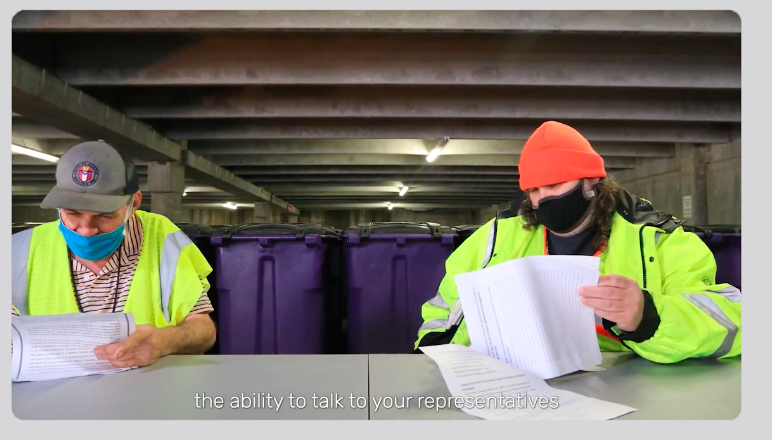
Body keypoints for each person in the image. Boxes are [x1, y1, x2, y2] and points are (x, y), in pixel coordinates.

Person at [414, 121, 741, 363]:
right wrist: (444, 358)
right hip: (519, 388)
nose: (542, 200)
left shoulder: (660, 242)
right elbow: (443, 314)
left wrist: (650, 316)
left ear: (592, 182)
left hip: (632, 390)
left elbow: (735, 321)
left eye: (554, 185)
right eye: (534, 190)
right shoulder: (495, 239)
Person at [11, 140, 216, 367]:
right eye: (72, 214)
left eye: (105, 215)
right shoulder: (20, 250)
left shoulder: (163, 239)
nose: (87, 230)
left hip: (146, 390)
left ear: (134, 203)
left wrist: (164, 341)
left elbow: (204, 331)